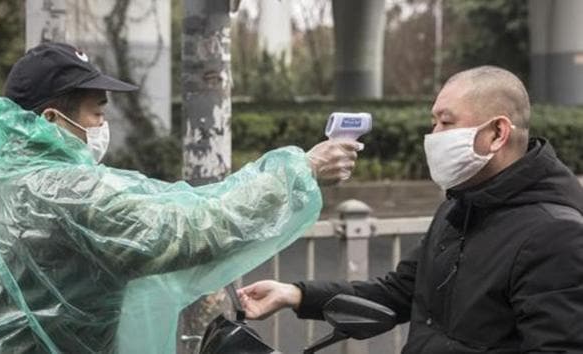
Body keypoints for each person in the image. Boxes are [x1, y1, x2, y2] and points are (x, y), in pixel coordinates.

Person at [0, 42, 362, 353]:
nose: (103, 123)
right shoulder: (65, 193)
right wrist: (299, 174)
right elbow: (188, 229)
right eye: (96, 111)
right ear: (50, 120)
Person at [239, 66, 583, 353]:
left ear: (497, 132)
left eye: (446, 123)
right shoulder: (458, 208)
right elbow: (399, 293)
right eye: (433, 123)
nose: (433, 136)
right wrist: (295, 295)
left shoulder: (555, 234)